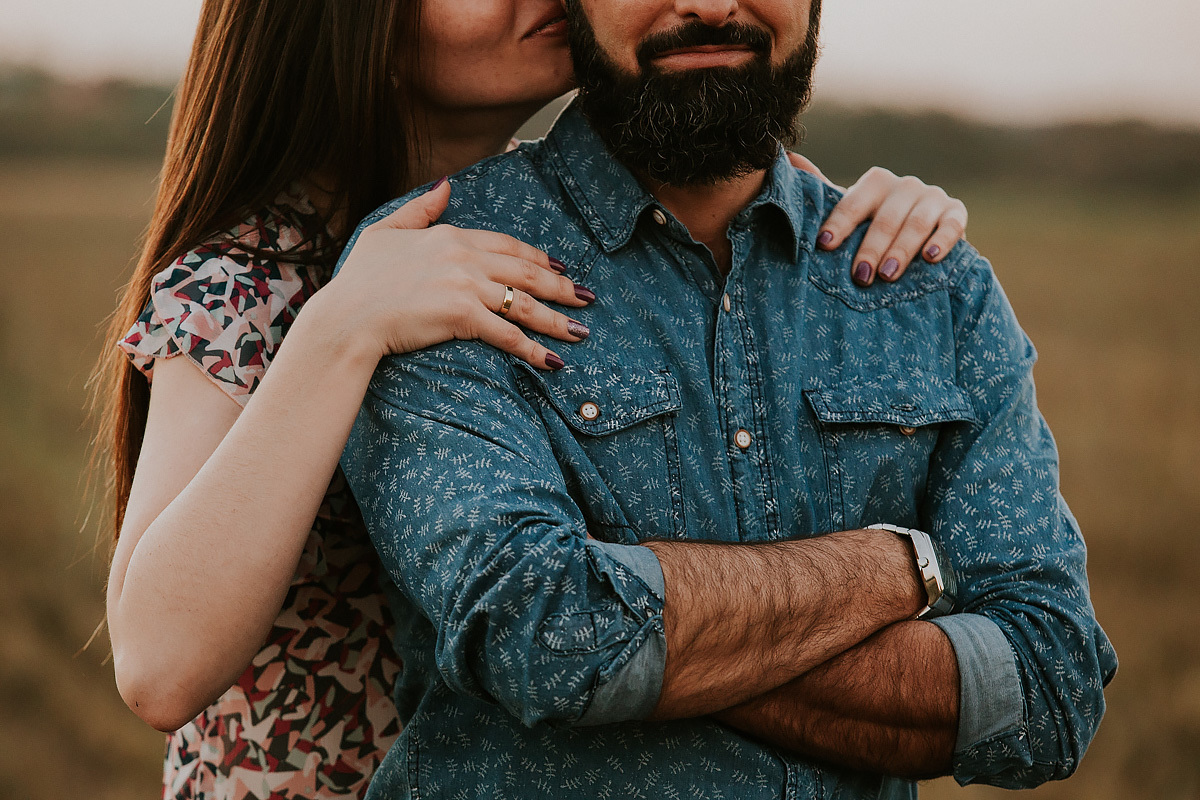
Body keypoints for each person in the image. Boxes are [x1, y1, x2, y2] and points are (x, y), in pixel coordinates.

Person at [96, 1, 970, 798]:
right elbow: (158, 668)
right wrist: (342, 325)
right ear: (355, 25)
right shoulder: (248, 282)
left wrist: (882, 219)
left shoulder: (573, 235)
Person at [336, 0, 1118, 798]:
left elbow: (1049, 688)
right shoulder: (438, 266)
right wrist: (897, 567)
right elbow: (536, 630)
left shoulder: (932, 286)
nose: (710, 5)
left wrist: (671, 641)